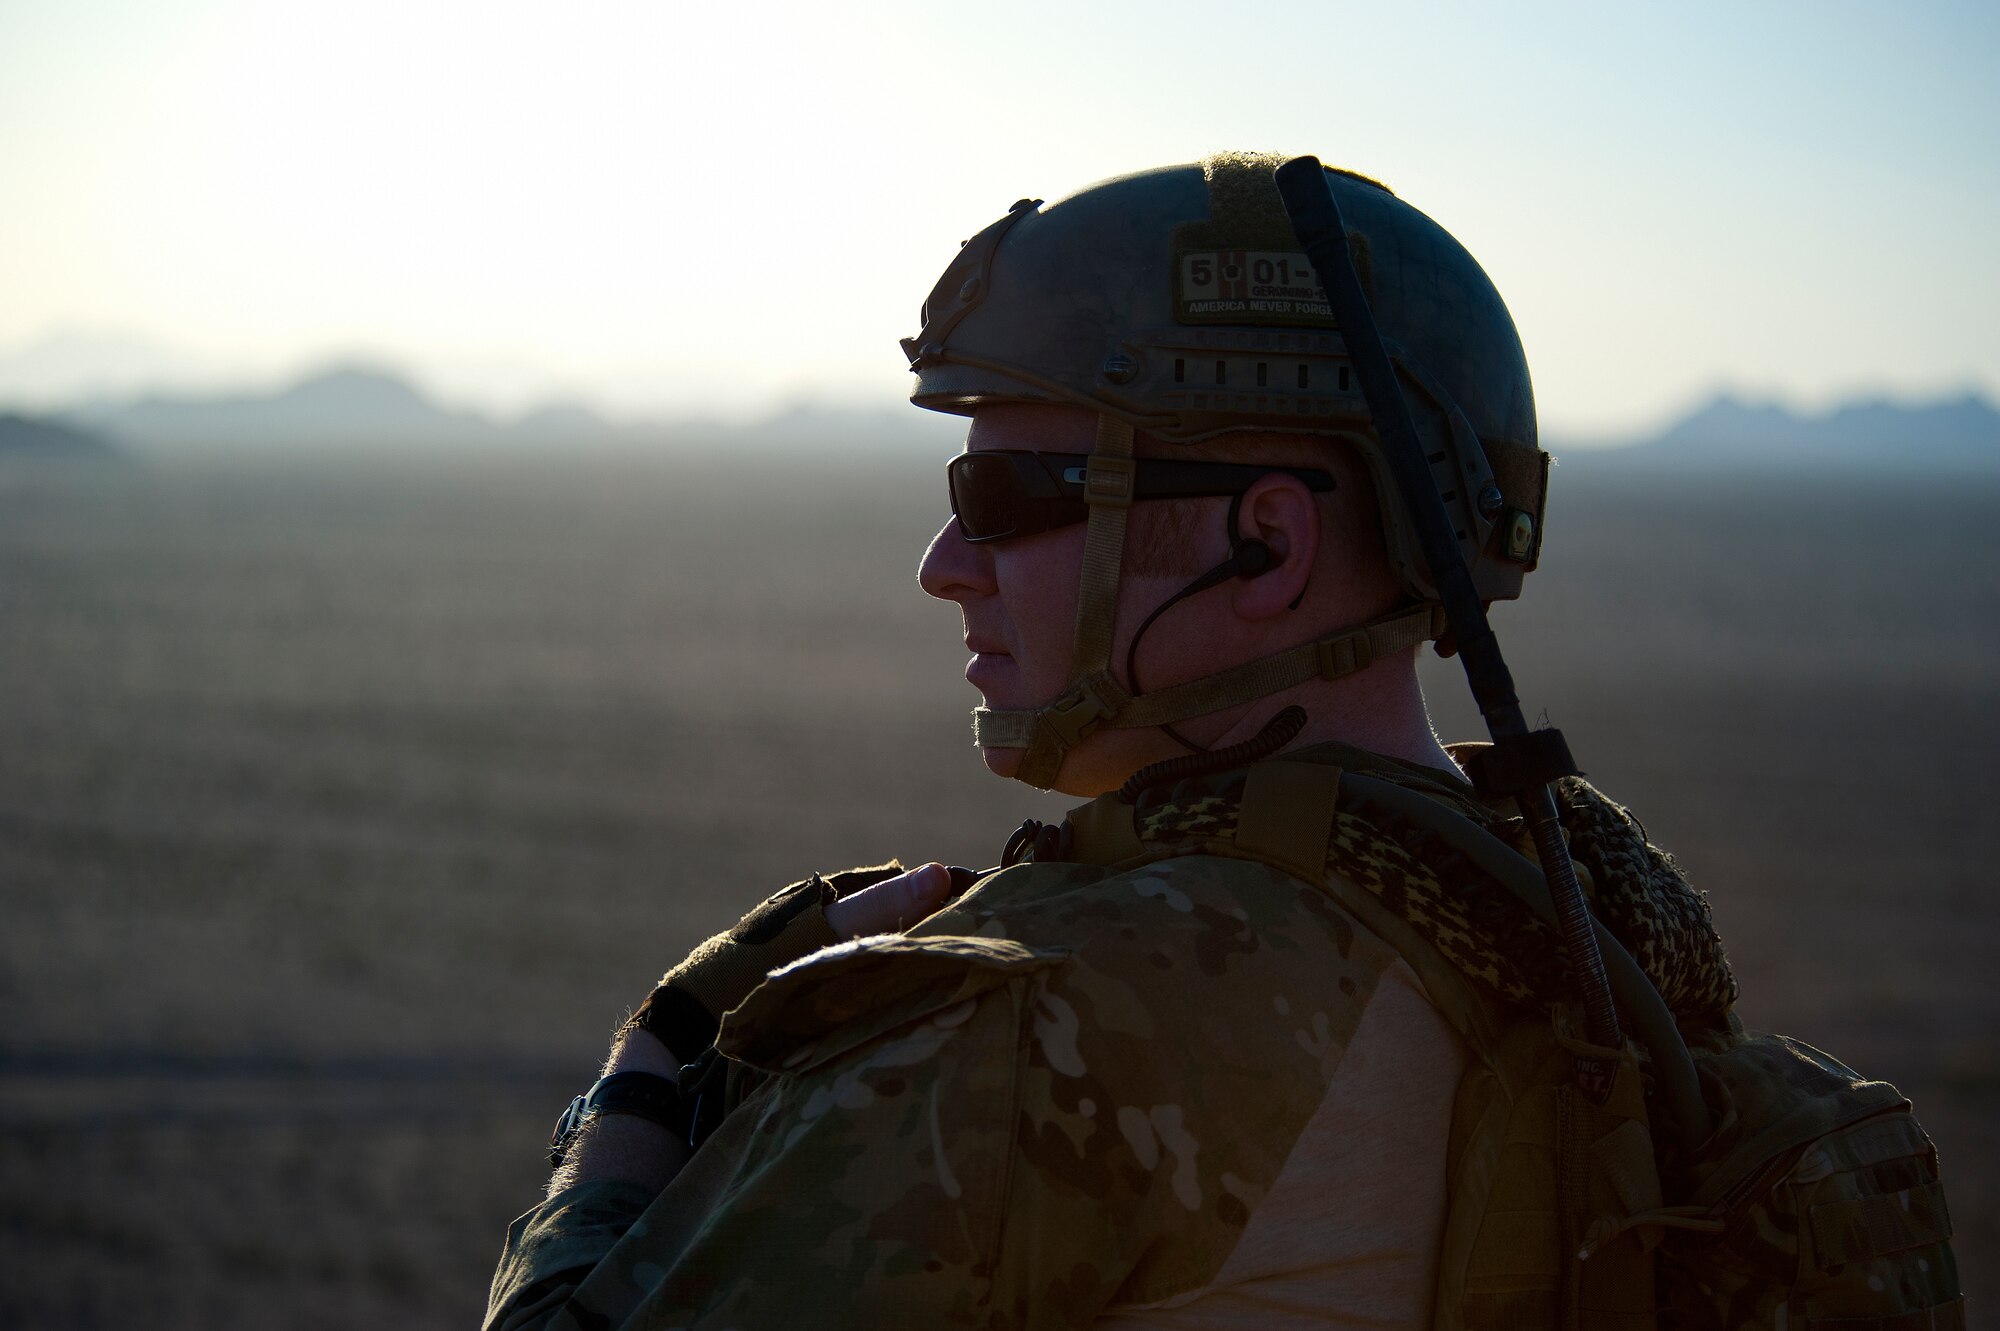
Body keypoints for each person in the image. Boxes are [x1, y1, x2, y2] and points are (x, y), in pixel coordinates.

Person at [484, 154, 1908, 1329]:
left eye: (1007, 496)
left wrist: (660, 1062)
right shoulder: (1592, 944)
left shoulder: (1045, 1024)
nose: (943, 565)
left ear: (1266, 544)